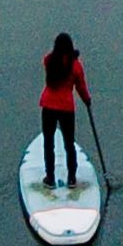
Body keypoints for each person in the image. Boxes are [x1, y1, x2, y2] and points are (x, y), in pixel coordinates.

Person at [39, 31, 87, 186]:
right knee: (69, 144)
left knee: (48, 143)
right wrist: (87, 100)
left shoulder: (49, 61)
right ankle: (72, 178)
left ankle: (50, 178)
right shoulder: (76, 66)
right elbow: (80, 87)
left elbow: (50, 59)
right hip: (66, 108)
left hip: (48, 106)